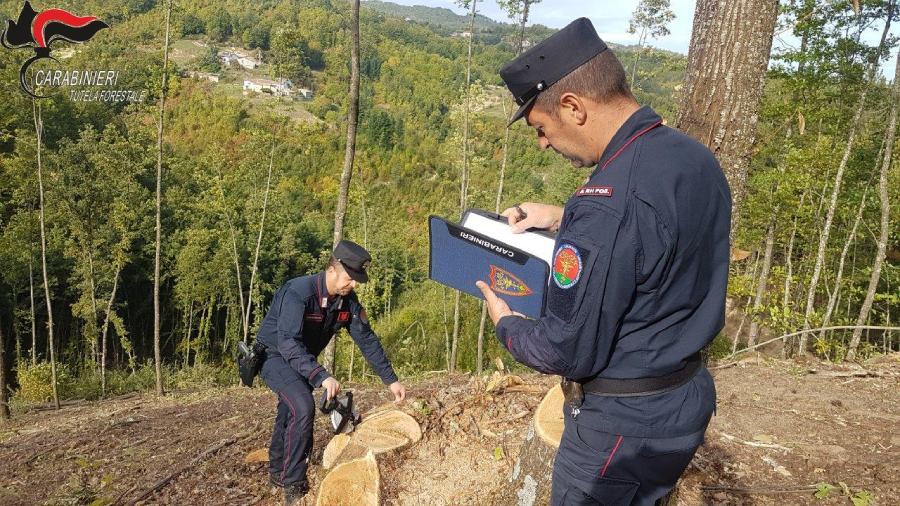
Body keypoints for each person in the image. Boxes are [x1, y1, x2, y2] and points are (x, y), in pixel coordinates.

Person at [475, 18, 731, 505]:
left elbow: (565, 350)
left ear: (573, 107)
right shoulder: (690, 157)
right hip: (684, 400)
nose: (543, 143)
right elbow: (657, 236)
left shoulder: (607, 204)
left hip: (620, 428)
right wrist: (562, 217)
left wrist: (506, 324)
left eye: (541, 128)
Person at [256, 240, 406, 505]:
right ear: (331, 270)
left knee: (290, 409)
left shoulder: (347, 302)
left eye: (357, 280)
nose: (354, 284)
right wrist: (320, 375)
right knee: (302, 406)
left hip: (302, 358)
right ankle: (294, 485)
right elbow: (287, 342)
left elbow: (367, 339)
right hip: (274, 355)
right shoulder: (298, 293)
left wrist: (390, 379)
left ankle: (278, 471)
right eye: (350, 278)